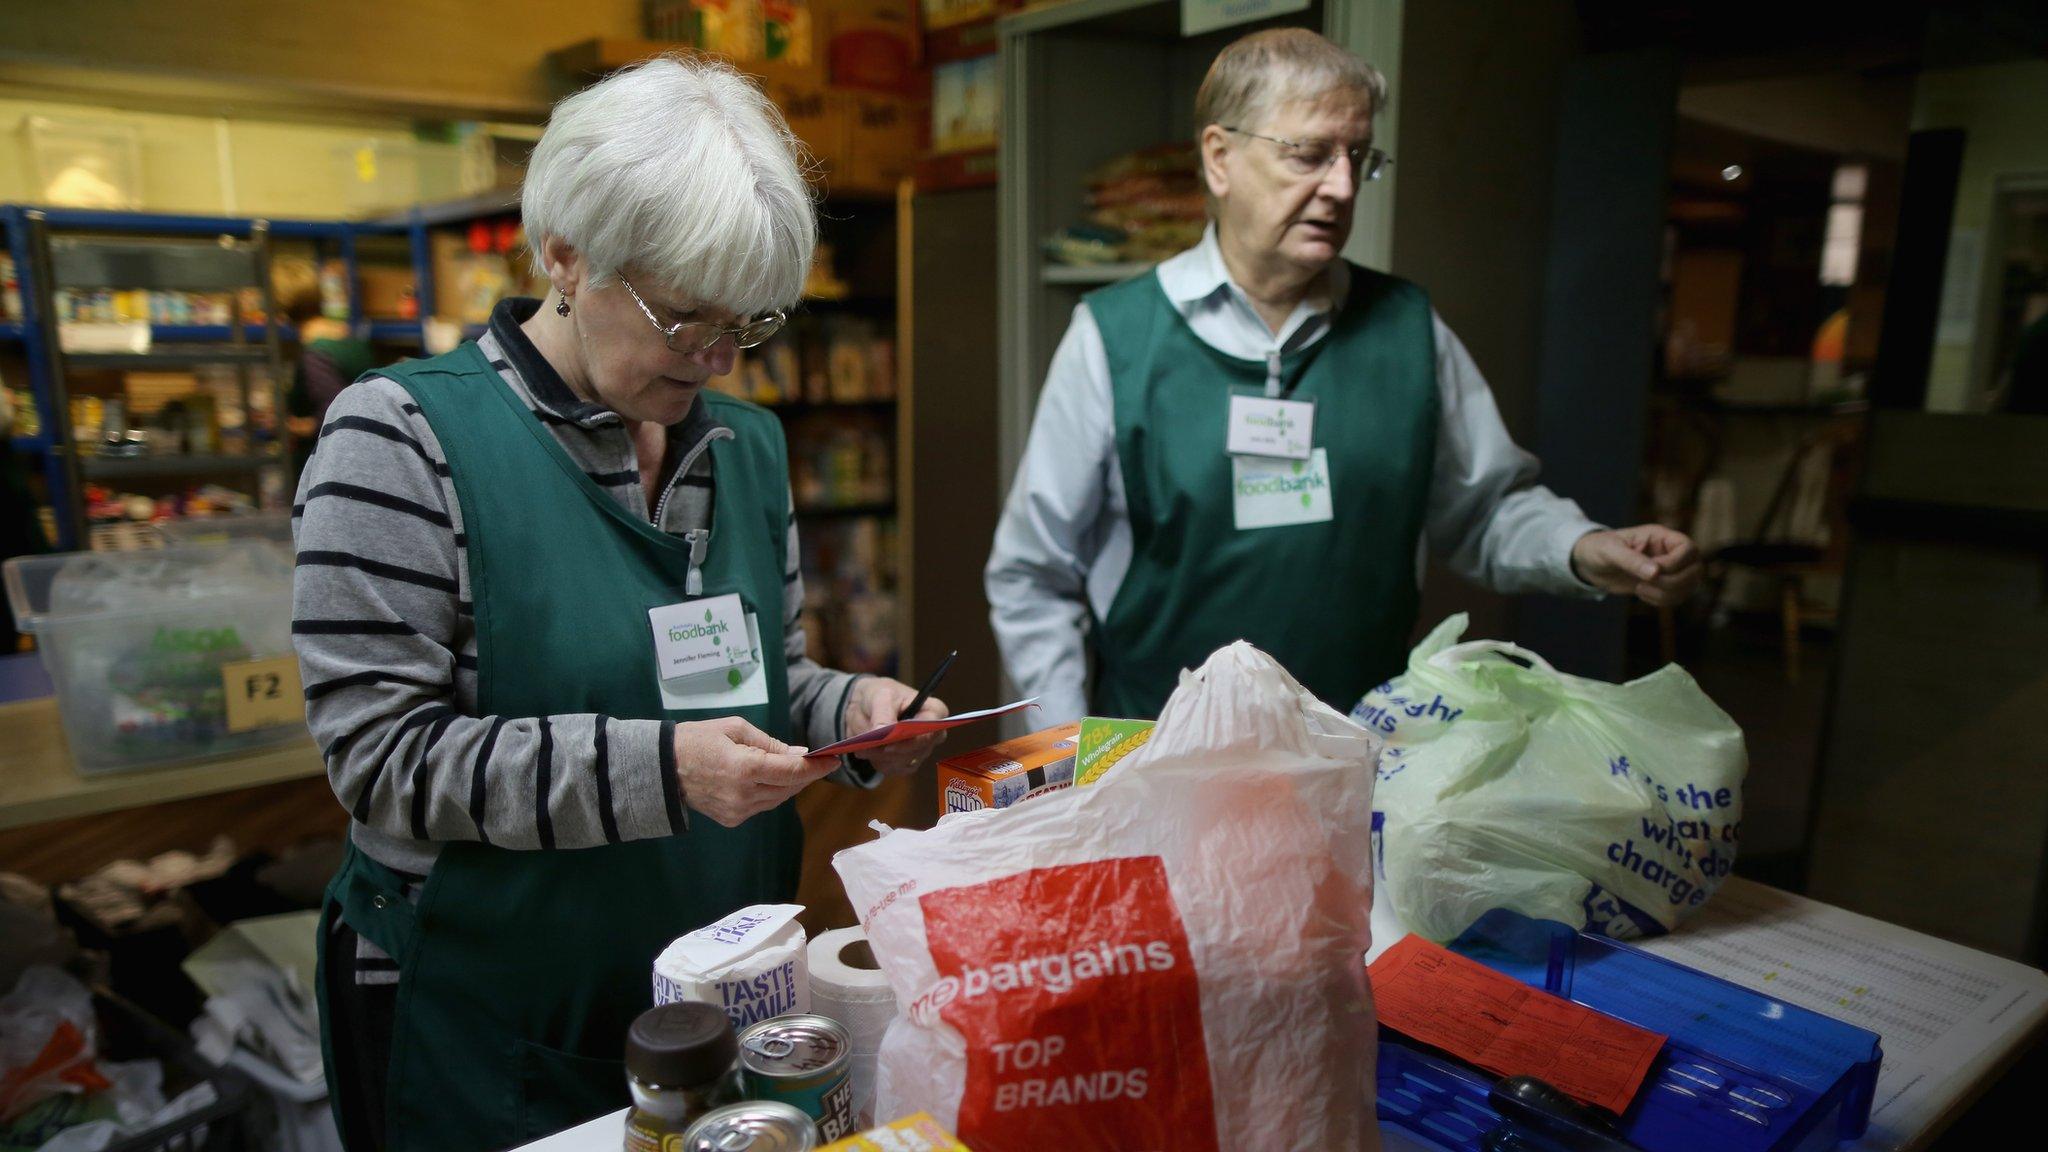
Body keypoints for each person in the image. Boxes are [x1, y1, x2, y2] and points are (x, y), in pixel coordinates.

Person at [292, 57, 947, 1152]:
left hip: (721, 994)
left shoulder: (745, 447)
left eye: (748, 323)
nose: (720, 358)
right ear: (564, 254)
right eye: (685, 317)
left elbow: (761, 683)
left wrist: (849, 713)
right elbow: (381, 759)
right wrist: (667, 771)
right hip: (492, 1011)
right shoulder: (397, 438)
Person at [985, 28, 1701, 724]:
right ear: (1219, 158)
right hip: (1159, 764)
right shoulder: (1116, 339)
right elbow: (1032, 576)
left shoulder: (1407, 329)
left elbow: (1484, 510)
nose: (1341, 186)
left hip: (1360, 758)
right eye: (1309, 154)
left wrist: (1580, 549)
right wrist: (1066, 752)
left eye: (1358, 156)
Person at [271, 257, 378, 474]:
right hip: (364, 457)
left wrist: (291, 427)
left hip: (333, 466)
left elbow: (334, 416)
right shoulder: (348, 338)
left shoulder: (316, 355)